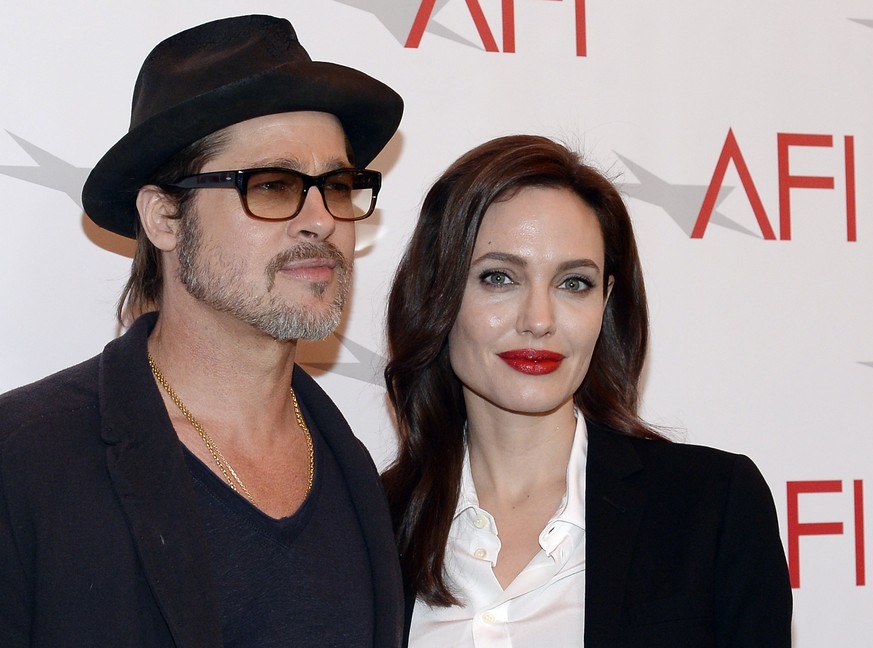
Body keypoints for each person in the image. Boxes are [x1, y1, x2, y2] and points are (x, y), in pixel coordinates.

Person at [0, 15, 405, 647]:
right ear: (163, 217)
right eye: (273, 186)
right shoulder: (25, 463)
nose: (321, 220)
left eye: (338, 186)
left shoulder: (359, 479)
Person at [382, 135, 792, 647]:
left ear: (606, 303)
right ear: (437, 294)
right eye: (499, 277)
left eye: (573, 283)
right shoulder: (369, 524)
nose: (539, 320)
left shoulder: (711, 507)